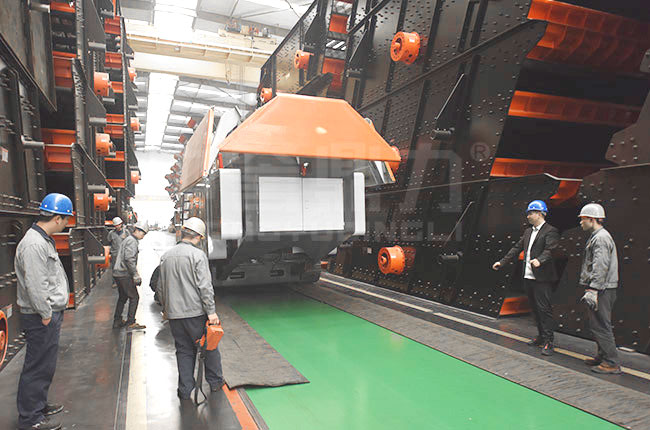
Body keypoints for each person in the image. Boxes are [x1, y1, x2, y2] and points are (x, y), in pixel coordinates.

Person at [15, 193, 74, 430]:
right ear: (57, 218)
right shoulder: (34, 244)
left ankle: (38, 405)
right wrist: (46, 314)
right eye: (66, 219)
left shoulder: (43, 240)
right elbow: (36, 284)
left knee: (45, 364)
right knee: (37, 366)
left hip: (46, 314)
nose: (67, 224)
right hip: (40, 316)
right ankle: (31, 419)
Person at [158, 217, 224, 400]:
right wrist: (211, 312)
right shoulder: (198, 256)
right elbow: (205, 287)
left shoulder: (166, 256)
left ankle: (185, 389)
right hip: (195, 314)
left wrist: (167, 309)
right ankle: (215, 382)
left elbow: (160, 287)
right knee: (209, 347)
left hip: (174, 315)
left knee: (184, 350)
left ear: (183, 233)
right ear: (198, 237)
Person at [493, 200, 560, 356]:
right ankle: (541, 336)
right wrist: (502, 262)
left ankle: (549, 341)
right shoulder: (528, 232)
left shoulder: (551, 231)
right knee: (535, 309)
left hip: (542, 278)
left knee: (544, 310)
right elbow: (516, 248)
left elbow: (550, 249)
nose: (528, 216)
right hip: (528, 276)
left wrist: (540, 260)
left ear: (540, 214)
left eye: (531, 213)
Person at [578, 203, 621, 374]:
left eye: (583, 219)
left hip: (602, 289)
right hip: (603, 287)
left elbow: (600, 266)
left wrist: (593, 289)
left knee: (602, 326)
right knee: (597, 324)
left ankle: (611, 363)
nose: (581, 222)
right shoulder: (598, 236)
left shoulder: (601, 238)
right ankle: (602, 356)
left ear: (591, 219)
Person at [112, 220, 149, 330]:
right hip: (124, 273)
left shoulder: (128, 239)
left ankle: (117, 321)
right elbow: (129, 259)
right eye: (143, 233)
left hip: (118, 273)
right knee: (134, 297)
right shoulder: (132, 241)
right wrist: (135, 274)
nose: (143, 236)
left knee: (123, 297)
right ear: (137, 231)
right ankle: (130, 322)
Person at [107, 217, 128, 288]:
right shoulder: (111, 233)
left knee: (125, 268)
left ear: (121, 224)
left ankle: (124, 282)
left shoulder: (126, 232)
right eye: (116, 225)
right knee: (115, 268)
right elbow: (109, 242)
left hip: (124, 254)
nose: (117, 226)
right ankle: (115, 282)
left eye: (118, 225)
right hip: (115, 254)